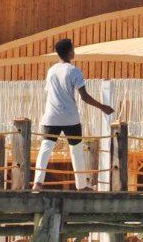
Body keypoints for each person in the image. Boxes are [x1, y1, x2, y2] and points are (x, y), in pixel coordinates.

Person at [34, 39, 113, 191]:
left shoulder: (51, 71)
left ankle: (38, 183)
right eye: (73, 48)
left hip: (51, 116)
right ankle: (81, 185)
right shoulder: (74, 71)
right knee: (76, 149)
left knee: (45, 148)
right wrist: (103, 107)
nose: (74, 50)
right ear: (69, 51)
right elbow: (84, 97)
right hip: (70, 117)